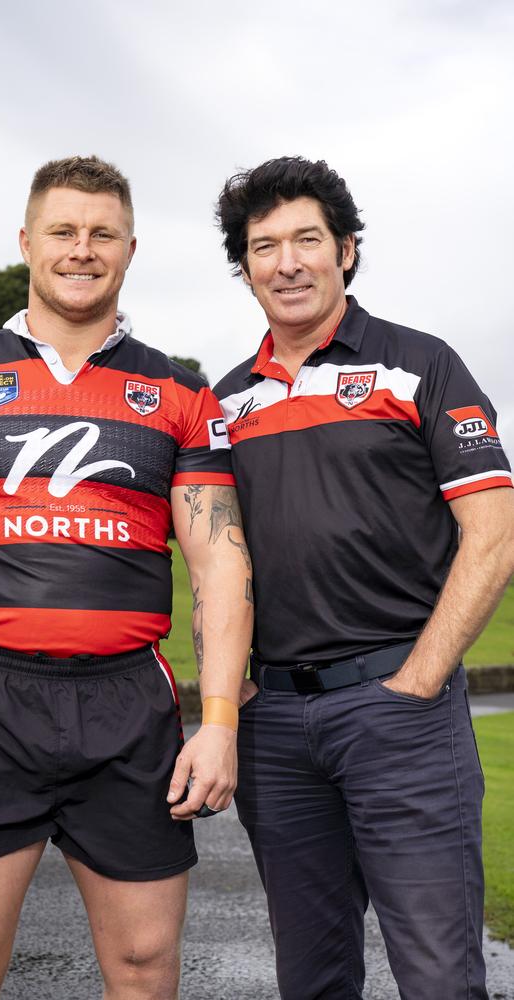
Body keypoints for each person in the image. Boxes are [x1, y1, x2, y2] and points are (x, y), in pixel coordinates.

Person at [0, 155, 253, 1000]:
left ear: (130, 248)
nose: (83, 249)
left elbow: (220, 562)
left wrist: (219, 721)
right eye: (63, 231)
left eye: (102, 233)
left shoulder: (180, 393)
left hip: (128, 709)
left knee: (145, 971)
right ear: (26, 243)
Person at [212, 155, 514, 1000]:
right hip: (275, 729)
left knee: (439, 977)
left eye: (307, 238)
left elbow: (492, 534)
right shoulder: (225, 403)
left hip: (399, 714)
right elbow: (216, 559)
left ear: (345, 249)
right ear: (246, 267)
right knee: (311, 979)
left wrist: (416, 682)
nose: (287, 262)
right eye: (263, 246)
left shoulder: (422, 364)